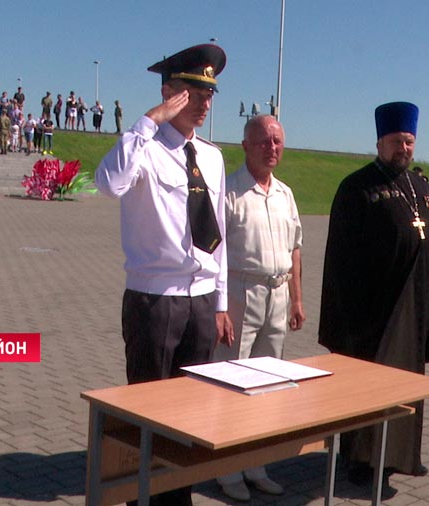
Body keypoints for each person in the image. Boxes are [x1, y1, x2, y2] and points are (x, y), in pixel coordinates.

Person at [95, 43, 233, 506]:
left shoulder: (210, 157)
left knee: (190, 417)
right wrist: (147, 121)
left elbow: (219, 234)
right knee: (148, 415)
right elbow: (107, 183)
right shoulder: (144, 148)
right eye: (194, 92)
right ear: (169, 92)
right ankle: (141, 497)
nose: (205, 103)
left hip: (199, 301)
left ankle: (177, 498)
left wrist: (222, 301)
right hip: (155, 300)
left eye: (210, 94)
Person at [319, 101, 429, 492]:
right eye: (396, 142)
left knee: (406, 387)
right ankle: (359, 461)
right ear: (379, 142)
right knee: (367, 388)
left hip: (414, 308)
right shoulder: (357, 187)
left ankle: (402, 456)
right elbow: (340, 257)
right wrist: (347, 316)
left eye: (408, 142)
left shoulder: (421, 187)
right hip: (373, 313)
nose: (403, 149)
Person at [212, 115, 303, 502]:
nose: (272, 148)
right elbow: (212, 251)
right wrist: (220, 307)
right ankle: (227, 469)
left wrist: (297, 298)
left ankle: (256, 465)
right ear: (245, 145)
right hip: (240, 293)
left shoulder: (284, 194)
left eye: (278, 141)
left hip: (278, 294)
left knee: (268, 385)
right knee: (232, 384)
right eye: (264, 141)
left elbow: (295, 247)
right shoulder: (228, 191)